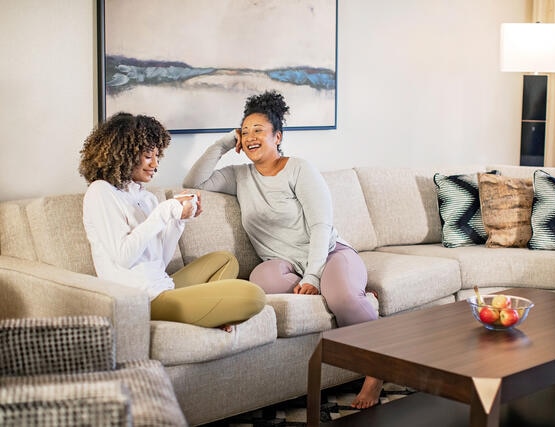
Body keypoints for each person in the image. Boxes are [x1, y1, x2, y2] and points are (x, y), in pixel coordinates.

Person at [183, 91, 383, 408]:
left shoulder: (299, 170)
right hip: (285, 265)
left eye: (258, 130)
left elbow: (321, 226)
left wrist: (315, 276)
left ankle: (376, 371)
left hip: (330, 255)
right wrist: (223, 143)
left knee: (342, 297)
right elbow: (193, 182)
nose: (250, 137)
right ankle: (347, 294)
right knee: (260, 281)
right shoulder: (239, 176)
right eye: (244, 131)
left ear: (277, 136)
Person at [79, 112, 266, 330]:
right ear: (125, 154)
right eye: (149, 156)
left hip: (164, 287)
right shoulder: (101, 192)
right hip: (142, 300)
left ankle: (209, 312)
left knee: (225, 260)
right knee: (253, 296)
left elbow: (160, 261)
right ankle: (211, 312)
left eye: (158, 156)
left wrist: (179, 219)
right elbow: (124, 257)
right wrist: (168, 210)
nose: (155, 164)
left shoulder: (145, 197)